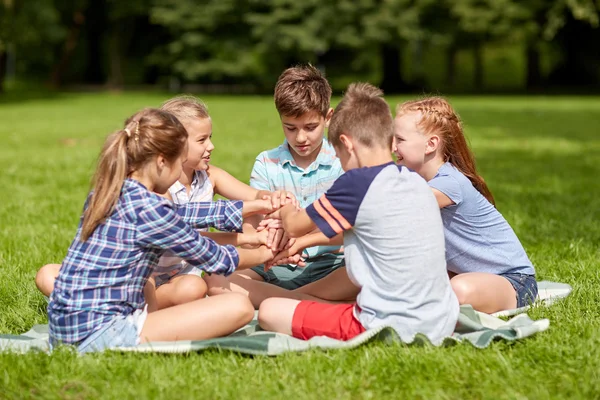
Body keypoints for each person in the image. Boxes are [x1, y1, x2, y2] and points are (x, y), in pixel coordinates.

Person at [48, 108, 277, 353]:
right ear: (161, 161)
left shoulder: (108, 193)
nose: (180, 171)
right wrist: (267, 253)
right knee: (238, 307)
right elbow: (217, 259)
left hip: (63, 330)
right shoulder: (151, 209)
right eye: (179, 163)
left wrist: (254, 217)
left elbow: (184, 214)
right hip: (100, 333)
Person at [258, 83, 459, 344]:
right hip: (443, 320)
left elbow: (295, 225)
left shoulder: (356, 183)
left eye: (340, 156)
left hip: (388, 325)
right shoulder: (414, 181)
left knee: (270, 310)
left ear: (346, 144)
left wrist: (284, 201)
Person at [206, 64, 350, 304]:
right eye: (290, 128)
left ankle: (283, 300)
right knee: (215, 280)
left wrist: (292, 229)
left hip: (332, 263)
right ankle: (305, 301)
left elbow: (345, 224)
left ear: (328, 118)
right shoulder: (266, 162)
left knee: (362, 273)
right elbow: (254, 223)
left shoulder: (343, 160)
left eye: (310, 127)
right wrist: (272, 242)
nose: (300, 137)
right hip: (274, 262)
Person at [392, 96, 538, 313]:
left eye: (400, 140)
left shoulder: (450, 184)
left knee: (458, 291)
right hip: (463, 275)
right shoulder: (412, 179)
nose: (392, 147)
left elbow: (396, 209)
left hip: (514, 281)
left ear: (431, 144)